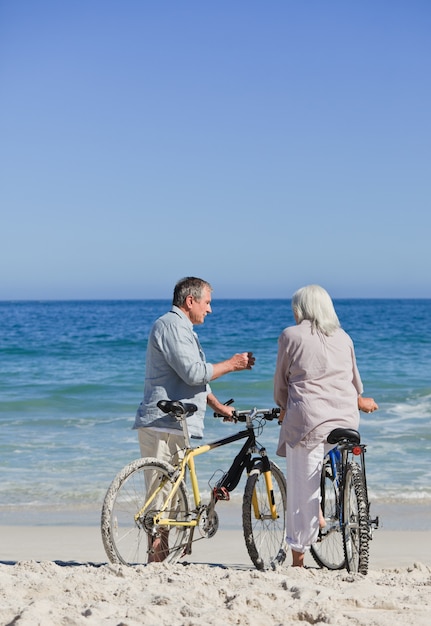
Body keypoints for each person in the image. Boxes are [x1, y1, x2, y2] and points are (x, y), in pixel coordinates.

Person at [133, 276, 255, 561]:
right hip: (162, 421)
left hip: (175, 421)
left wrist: (217, 405)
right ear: (190, 301)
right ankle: (155, 559)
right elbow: (193, 372)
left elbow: (194, 378)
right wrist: (232, 364)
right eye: (207, 302)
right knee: (160, 496)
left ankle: (163, 556)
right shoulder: (171, 326)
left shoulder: (181, 328)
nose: (210, 309)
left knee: (173, 495)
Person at [273, 284, 378, 568]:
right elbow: (356, 384)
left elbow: (281, 385)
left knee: (301, 489)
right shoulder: (344, 337)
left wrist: (284, 408)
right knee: (336, 456)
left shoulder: (290, 335)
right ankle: (339, 508)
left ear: (300, 309)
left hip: (308, 421)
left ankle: (298, 557)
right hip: (346, 417)